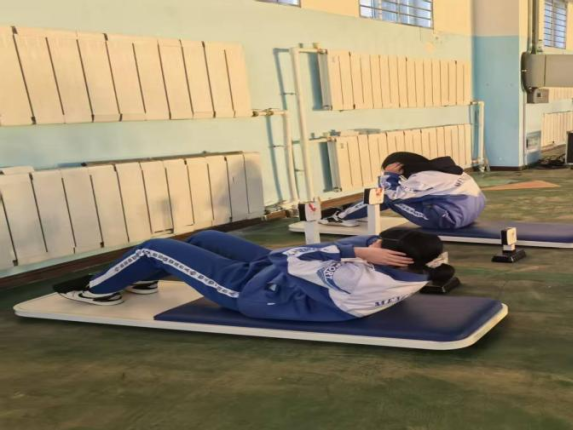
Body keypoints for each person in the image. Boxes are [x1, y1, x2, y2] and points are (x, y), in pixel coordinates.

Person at [55, 229, 454, 322]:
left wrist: (355, 251)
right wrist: (366, 247)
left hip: (255, 294)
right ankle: (144, 279)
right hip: (291, 281)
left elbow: (287, 256)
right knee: (207, 238)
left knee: (154, 246)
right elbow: (296, 262)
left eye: (379, 244)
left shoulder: (356, 275)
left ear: (392, 257)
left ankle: (98, 291)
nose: (372, 242)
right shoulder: (418, 266)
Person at [320, 152, 486, 230]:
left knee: (387, 197)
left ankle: (340, 216)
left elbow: (390, 194)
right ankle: (357, 211)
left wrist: (389, 176)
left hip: (448, 220)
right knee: (402, 195)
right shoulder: (447, 170)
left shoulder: (422, 178)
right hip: (470, 212)